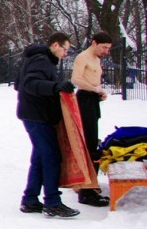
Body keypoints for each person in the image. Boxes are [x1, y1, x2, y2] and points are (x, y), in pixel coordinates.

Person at [16, 32, 80, 218]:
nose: (65, 54)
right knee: (51, 156)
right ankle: (52, 202)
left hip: (33, 113)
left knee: (40, 157)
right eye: (65, 49)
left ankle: (30, 200)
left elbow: (19, 84)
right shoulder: (42, 60)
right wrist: (55, 87)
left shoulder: (37, 59)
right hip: (37, 115)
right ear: (55, 45)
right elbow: (29, 84)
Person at [70, 32, 113, 207]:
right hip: (84, 99)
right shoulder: (83, 57)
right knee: (89, 143)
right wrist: (94, 90)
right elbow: (76, 79)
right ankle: (86, 191)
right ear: (94, 43)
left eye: (108, 48)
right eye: (104, 47)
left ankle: (89, 184)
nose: (106, 51)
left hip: (92, 99)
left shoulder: (96, 59)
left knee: (92, 141)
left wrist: (99, 92)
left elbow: (93, 80)